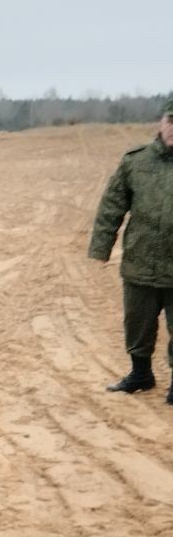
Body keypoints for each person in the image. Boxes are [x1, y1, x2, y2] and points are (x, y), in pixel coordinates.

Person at [88, 97, 173, 402]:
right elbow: (112, 206)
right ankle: (140, 374)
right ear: (161, 122)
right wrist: (101, 247)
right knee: (137, 324)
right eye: (172, 120)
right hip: (140, 262)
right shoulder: (135, 162)